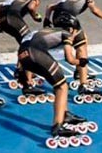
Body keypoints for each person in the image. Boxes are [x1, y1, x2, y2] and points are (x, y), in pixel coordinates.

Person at [14, 13, 93, 146]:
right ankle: (58, 126)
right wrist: (82, 61)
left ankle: (65, 113)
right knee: (62, 87)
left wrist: (21, 71)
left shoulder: (43, 30)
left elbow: (24, 46)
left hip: (23, 55)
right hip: (36, 54)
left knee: (58, 83)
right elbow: (70, 59)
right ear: (71, 29)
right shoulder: (66, 33)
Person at [44, 0, 102, 92]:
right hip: (69, 23)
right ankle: (83, 84)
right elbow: (94, 10)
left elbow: (49, 6)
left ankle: (79, 71)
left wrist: (47, 21)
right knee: (81, 48)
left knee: (83, 38)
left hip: (57, 22)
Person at [0, 0, 45, 91]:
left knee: (23, 44)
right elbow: (31, 7)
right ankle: (28, 83)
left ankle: (20, 70)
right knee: (29, 46)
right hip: (14, 20)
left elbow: (0, 7)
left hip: (3, 20)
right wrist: (36, 16)